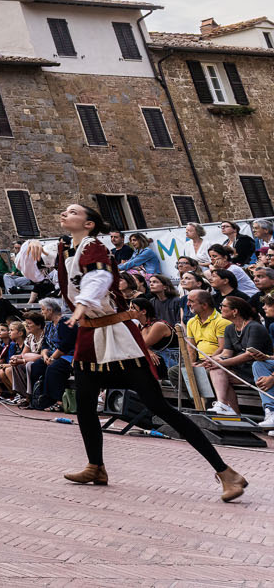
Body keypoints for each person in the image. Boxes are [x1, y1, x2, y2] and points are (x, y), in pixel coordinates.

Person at [19, 202, 247, 501]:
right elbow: (34, 273)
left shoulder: (95, 248)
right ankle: (95, 465)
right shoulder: (67, 250)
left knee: (159, 406)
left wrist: (83, 304)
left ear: (89, 224)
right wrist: (29, 248)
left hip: (116, 335)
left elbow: (99, 280)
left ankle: (226, 472)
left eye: (74, 212)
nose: (65, 214)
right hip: (89, 335)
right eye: (64, 211)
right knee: (86, 405)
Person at [200, 293, 270, 419]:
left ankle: (228, 408)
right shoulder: (230, 328)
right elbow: (226, 353)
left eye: (223, 305)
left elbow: (249, 355)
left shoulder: (254, 327)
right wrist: (212, 360)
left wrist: (220, 363)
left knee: (218, 369)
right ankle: (227, 408)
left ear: (235, 311)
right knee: (214, 369)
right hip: (240, 368)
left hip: (257, 369)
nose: (220, 308)